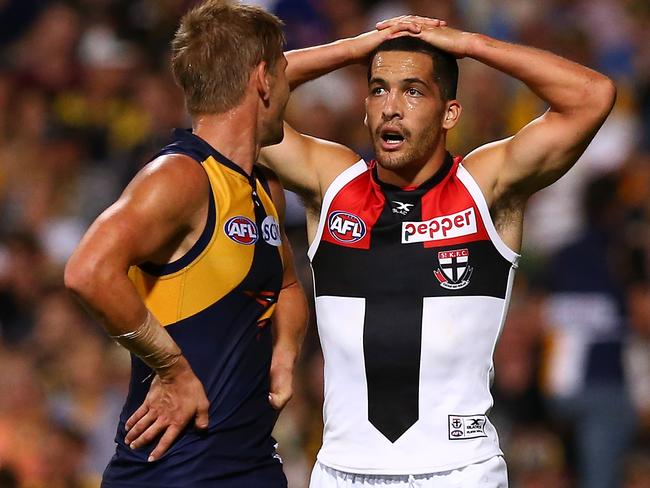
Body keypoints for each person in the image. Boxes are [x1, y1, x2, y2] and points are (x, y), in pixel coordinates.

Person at [259, 16, 617, 487]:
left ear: (450, 113)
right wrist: (353, 49)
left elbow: (592, 96)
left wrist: (470, 44)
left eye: (412, 91)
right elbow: (238, 99)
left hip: (461, 472)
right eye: (379, 89)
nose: (391, 108)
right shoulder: (333, 182)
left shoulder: (486, 185)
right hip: (342, 473)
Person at [63, 1, 312, 487]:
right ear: (262, 79)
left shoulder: (261, 187)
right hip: (173, 472)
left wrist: (285, 350)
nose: (290, 88)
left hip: (253, 466)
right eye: (284, 73)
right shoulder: (181, 176)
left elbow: (284, 284)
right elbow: (86, 270)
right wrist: (172, 368)